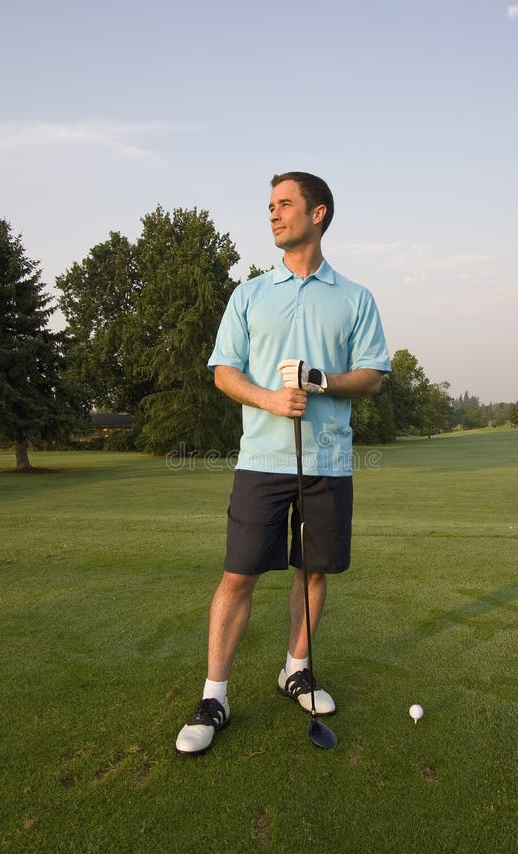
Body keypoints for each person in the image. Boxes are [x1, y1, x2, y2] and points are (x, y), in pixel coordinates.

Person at [175, 171, 391, 755]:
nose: (273, 214)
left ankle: (296, 669)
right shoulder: (249, 294)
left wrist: (321, 381)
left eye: (285, 204)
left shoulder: (355, 297)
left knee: (313, 571)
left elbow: (372, 376)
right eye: (269, 206)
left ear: (317, 214)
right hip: (261, 459)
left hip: (328, 461)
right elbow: (224, 371)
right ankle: (214, 695)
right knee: (238, 574)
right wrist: (270, 398)